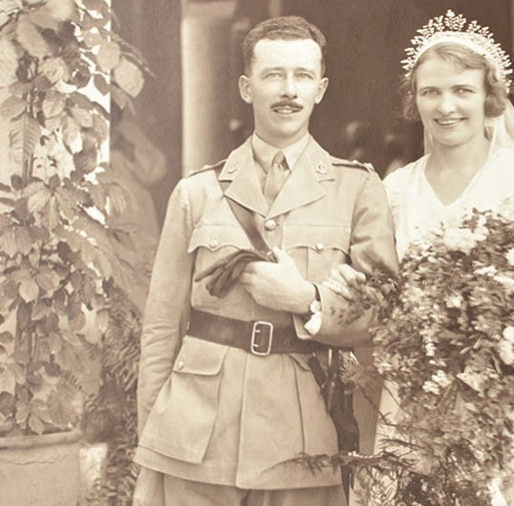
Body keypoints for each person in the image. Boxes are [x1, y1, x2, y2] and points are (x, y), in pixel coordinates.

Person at [324, 10, 514, 506]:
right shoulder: (396, 189)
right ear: (415, 99)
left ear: (489, 97)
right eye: (431, 92)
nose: (446, 106)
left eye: (462, 91)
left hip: (508, 403)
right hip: (418, 398)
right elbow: (379, 295)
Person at [133, 15, 398, 506]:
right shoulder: (196, 192)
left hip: (302, 438)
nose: (288, 90)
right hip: (195, 431)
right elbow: (162, 324)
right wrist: (154, 431)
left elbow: (382, 311)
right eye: (273, 75)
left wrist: (307, 299)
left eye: (301, 76)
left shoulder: (358, 189)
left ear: (320, 89)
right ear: (245, 86)